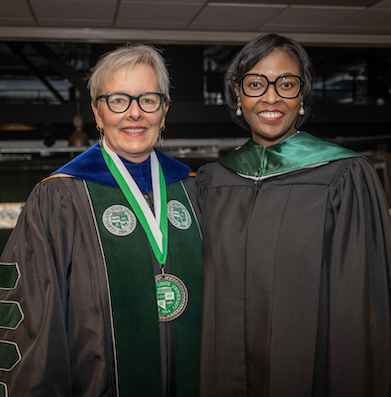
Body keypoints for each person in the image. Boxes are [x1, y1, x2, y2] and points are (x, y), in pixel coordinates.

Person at [0, 44, 202, 397]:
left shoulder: (195, 190)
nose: (134, 114)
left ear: (164, 111)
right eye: (118, 100)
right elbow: (33, 324)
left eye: (148, 100)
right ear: (97, 112)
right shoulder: (58, 199)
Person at [197, 33, 391, 396]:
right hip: (227, 370)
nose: (271, 97)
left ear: (302, 95)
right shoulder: (215, 180)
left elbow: (361, 305)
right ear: (238, 94)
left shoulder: (343, 176)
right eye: (255, 84)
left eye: (286, 84)